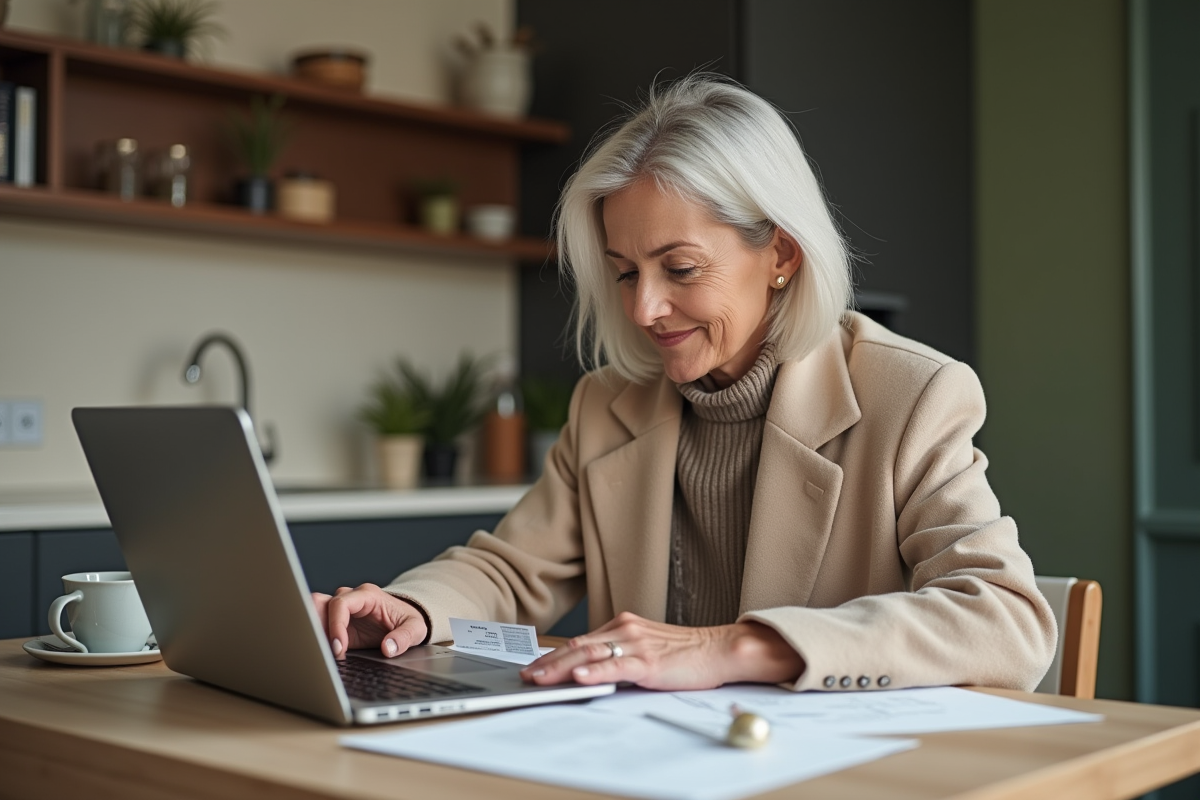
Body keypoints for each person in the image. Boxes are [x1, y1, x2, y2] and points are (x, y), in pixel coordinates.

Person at [314, 75, 1056, 694]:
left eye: (681, 268)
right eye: (626, 272)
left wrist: (730, 647)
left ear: (782, 255)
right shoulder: (606, 406)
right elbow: (509, 571)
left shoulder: (912, 396)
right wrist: (411, 604)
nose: (643, 310)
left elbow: (1006, 619)